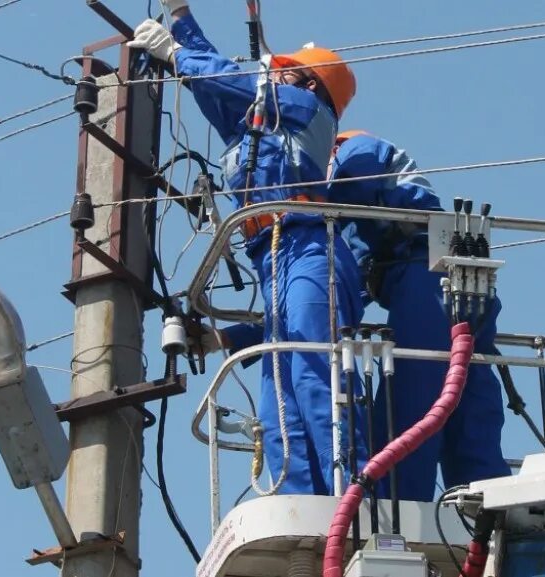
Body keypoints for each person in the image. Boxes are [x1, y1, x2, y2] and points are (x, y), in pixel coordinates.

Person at [130, 0, 366, 496]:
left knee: (313, 375)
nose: (276, 78)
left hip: (308, 248)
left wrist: (175, 54)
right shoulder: (260, 127)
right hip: (275, 261)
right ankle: (303, 512)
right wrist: (181, 21)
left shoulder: (307, 111)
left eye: (286, 74)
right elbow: (216, 88)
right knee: (278, 396)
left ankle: (354, 499)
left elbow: (231, 83)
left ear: (309, 83)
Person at [328, 131, 509, 502]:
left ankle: (398, 510)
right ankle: (488, 508)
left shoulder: (355, 148)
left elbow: (357, 170)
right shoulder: (362, 221)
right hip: (461, 287)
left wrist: (306, 197)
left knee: (412, 405)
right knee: (470, 406)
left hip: (426, 279)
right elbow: (341, 301)